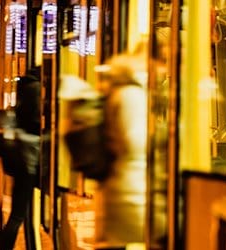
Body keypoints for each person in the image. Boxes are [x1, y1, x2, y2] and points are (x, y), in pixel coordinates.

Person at [93, 45, 148, 246]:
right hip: (130, 189)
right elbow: (135, 142)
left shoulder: (120, 90)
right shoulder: (131, 94)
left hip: (122, 186)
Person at [0, 74, 41, 250]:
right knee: (18, 215)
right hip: (29, 164)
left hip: (21, 164)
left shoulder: (23, 95)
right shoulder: (36, 90)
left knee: (16, 215)